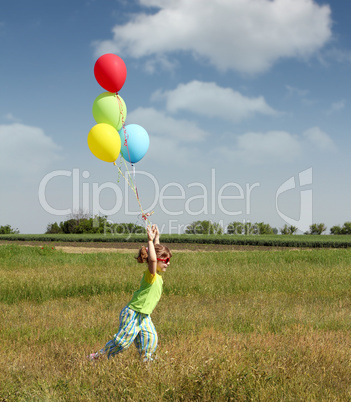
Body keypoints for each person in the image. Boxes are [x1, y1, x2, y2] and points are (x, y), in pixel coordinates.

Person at [88, 224, 172, 362]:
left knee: (150, 339)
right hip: (133, 313)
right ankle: (96, 358)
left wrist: (157, 238)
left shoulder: (157, 274)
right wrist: (149, 241)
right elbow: (152, 259)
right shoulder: (151, 275)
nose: (168, 263)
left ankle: (147, 364)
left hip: (144, 315)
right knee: (122, 343)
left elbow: (155, 254)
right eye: (166, 260)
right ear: (157, 261)